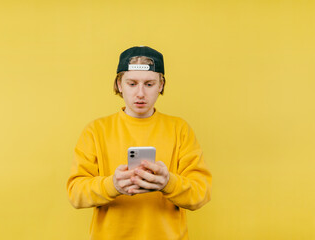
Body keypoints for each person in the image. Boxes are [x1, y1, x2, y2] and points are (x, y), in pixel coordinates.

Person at [67, 46, 212, 240]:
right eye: (132, 83)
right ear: (119, 84)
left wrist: (169, 182)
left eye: (149, 84)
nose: (140, 93)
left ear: (161, 85)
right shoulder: (95, 130)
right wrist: (113, 185)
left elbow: (201, 193)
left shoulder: (180, 129)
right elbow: (75, 194)